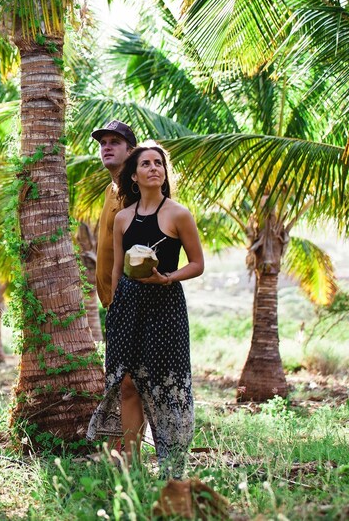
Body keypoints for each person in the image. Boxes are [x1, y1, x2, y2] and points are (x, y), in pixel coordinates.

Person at [88, 143, 204, 479]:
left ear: (164, 174)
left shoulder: (179, 214)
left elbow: (197, 264)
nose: (154, 168)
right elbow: (115, 271)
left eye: (159, 163)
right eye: (146, 164)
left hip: (165, 306)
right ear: (134, 176)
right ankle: (133, 469)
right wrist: (112, 307)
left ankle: (173, 470)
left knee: (165, 386)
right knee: (126, 383)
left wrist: (167, 278)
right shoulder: (123, 217)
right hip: (127, 306)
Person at [89, 120, 148, 463]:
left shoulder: (136, 191)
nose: (107, 147)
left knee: (132, 382)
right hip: (116, 304)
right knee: (125, 382)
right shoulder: (111, 191)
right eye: (103, 143)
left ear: (130, 150)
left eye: (115, 142)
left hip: (138, 300)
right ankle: (128, 453)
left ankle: (134, 456)